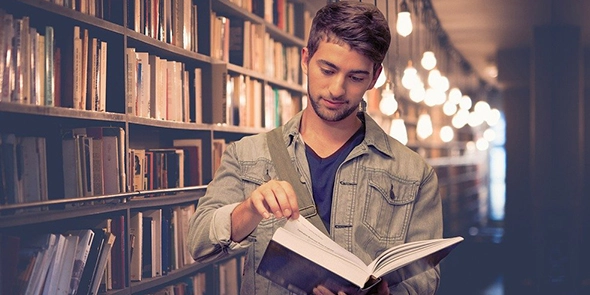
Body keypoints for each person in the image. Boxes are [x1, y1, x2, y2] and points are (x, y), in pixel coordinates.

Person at [187, 1, 443, 294]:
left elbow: (424, 281)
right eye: (328, 69)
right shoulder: (247, 155)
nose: (337, 89)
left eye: (356, 77)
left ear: (375, 77)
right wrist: (249, 210)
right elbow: (198, 242)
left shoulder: (414, 173)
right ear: (306, 59)